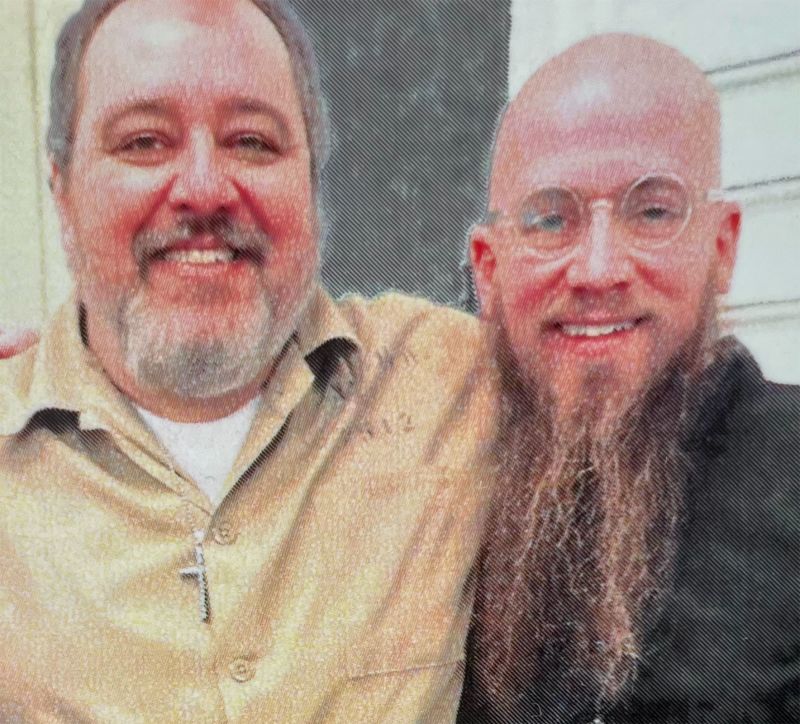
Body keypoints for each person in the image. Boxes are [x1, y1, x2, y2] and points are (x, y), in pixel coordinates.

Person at [0, 0, 496, 720]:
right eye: (143, 142)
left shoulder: (462, 387)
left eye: (253, 143)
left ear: (314, 184)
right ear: (63, 193)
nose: (204, 189)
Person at [458, 34, 800, 724]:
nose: (598, 269)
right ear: (488, 270)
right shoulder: (432, 488)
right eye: (550, 218)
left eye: (652, 211)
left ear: (722, 247)